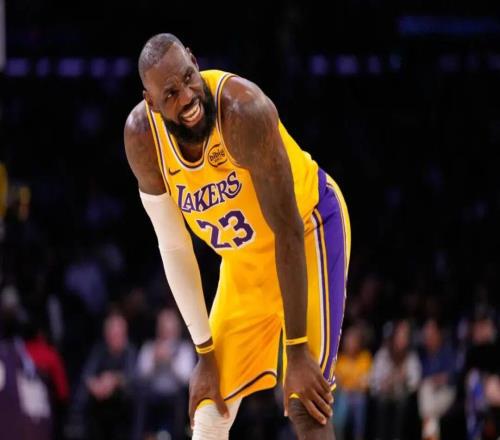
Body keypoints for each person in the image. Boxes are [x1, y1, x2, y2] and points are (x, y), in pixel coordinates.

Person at [123, 33, 351, 440]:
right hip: (245, 262)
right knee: (208, 410)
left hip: (307, 230)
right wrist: (204, 353)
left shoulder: (244, 110)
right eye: (170, 94)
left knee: (307, 404)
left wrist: (297, 349)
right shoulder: (143, 138)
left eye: (189, 78)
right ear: (151, 102)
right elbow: (174, 246)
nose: (188, 97)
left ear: (194, 61)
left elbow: (287, 228)